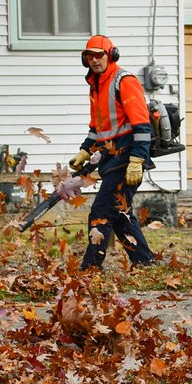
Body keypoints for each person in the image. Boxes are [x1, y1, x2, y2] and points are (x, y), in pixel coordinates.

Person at [69, 35, 155, 270]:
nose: (95, 60)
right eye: (90, 55)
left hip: (128, 157)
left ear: (111, 55)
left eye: (100, 55)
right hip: (111, 157)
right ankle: (145, 262)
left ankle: (91, 268)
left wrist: (137, 160)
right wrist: (85, 151)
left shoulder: (123, 81)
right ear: (85, 59)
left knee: (101, 212)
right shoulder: (95, 84)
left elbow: (142, 124)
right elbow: (98, 128)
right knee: (119, 214)